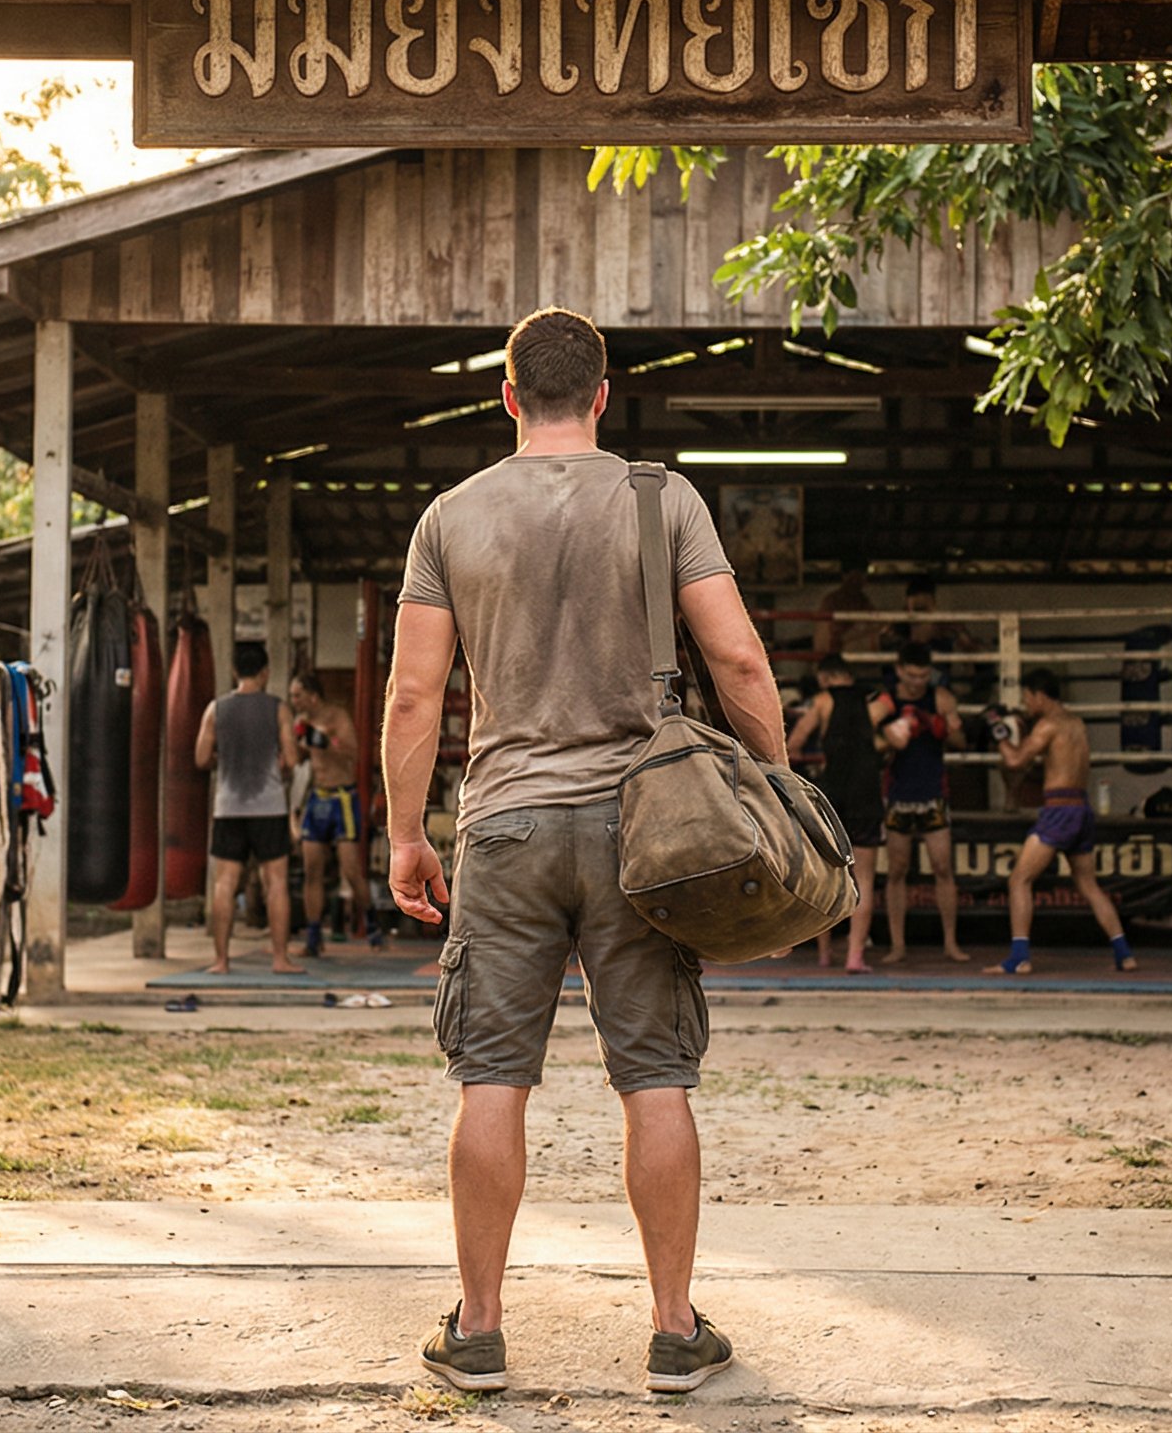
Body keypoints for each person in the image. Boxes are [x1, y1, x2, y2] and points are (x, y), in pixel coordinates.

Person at [384, 306, 779, 1396]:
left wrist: (405, 834)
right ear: (604, 395)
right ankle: (669, 1333)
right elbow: (738, 663)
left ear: (507, 396)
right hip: (643, 835)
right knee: (655, 1079)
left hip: (502, 827)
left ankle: (476, 1332)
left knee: (490, 1079)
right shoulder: (665, 501)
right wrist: (774, 796)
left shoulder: (451, 517)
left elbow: (416, 691)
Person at [985, 669, 1135, 974]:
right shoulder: (1076, 723)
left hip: (1059, 811)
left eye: (1027, 698)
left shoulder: (1048, 726)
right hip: (1081, 808)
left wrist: (997, 730)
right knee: (1089, 885)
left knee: (1019, 880)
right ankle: (1124, 953)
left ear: (1040, 696)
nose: (1026, 704)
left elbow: (1015, 761)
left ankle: (1019, 957)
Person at [193, 641, 303, 975]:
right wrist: (277, 767)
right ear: (265, 672)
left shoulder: (216, 709)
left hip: (228, 807)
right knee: (276, 884)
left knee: (224, 884)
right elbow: (293, 759)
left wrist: (224, 760)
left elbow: (200, 758)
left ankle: (221, 961)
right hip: (269, 807)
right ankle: (280, 959)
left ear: (234, 671)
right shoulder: (278, 709)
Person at [872, 642, 971, 964]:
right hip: (899, 793)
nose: (918, 681)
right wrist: (889, 737)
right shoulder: (885, 701)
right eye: (912, 675)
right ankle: (897, 945)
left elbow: (960, 742)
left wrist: (935, 725)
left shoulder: (940, 698)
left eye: (924, 675)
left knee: (943, 868)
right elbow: (866, 742)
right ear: (900, 670)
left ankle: (951, 943)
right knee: (897, 870)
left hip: (933, 793)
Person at [785, 653, 883, 973]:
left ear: (825, 677)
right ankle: (856, 956)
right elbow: (897, 737)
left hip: (833, 794)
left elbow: (794, 743)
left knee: (828, 872)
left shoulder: (824, 701)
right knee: (864, 879)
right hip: (867, 793)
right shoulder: (877, 702)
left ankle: (825, 953)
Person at [289, 671, 377, 952]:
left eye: (297, 695)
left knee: (350, 869)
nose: (294, 701)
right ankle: (314, 936)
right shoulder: (301, 722)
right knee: (311, 868)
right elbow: (299, 759)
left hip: (342, 797)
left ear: (312, 696)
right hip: (318, 796)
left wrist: (327, 742)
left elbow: (353, 752)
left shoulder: (337, 718)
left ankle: (372, 923)